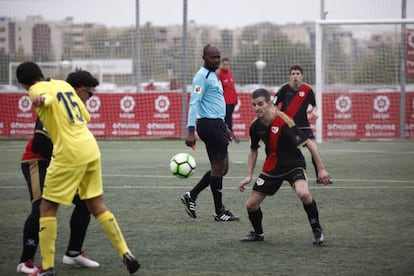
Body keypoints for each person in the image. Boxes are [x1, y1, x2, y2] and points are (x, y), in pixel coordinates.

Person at [16, 61, 140, 276]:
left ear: (23, 84)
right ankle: (126, 253)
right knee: (96, 205)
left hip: (68, 152)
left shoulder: (37, 89)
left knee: (46, 209)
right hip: (90, 147)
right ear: (42, 73)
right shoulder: (63, 85)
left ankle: (47, 268)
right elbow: (86, 115)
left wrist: (42, 100)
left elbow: (46, 98)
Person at [17, 70, 100, 274]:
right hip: (37, 161)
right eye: (90, 93)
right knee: (41, 208)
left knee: (84, 203)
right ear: (80, 90)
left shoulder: (72, 106)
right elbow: (39, 142)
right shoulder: (55, 100)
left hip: (60, 163)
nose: (91, 98)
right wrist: (64, 160)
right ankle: (25, 262)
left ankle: (73, 254)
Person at [239, 88, 331, 244]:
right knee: (251, 205)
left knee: (304, 194)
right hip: (272, 167)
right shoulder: (255, 126)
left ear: (269, 103)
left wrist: (321, 169)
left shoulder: (284, 121)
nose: (257, 108)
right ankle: (258, 234)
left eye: (260, 104)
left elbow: (309, 144)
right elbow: (253, 150)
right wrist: (249, 175)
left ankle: (316, 230)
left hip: (293, 165)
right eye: (254, 105)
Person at [181, 44, 239, 221]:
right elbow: (194, 103)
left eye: (218, 57)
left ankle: (192, 195)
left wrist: (226, 127)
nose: (216, 60)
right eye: (213, 57)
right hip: (209, 125)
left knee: (222, 168)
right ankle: (219, 211)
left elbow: (214, 103)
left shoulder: (213, 75)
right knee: (218, 168)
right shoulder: (201, 77)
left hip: (218, 124)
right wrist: (191, 130)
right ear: (204, 57)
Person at [274, 65, 332, 183]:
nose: (295, 76)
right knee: (282, 151)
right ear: (289, 76)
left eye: (298, 74)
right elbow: (274, 105)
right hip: (288, 126)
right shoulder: (283, 89)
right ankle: (279, 175)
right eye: (293, 74)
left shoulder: (308, 90)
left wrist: (314, 112)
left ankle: (320, 175)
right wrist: (277, 117)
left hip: (303, 125)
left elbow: (314, 106)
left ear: (302, 76)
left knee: (314, 148)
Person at [217, 57, 239, 143]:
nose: (226, 66)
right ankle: (229, 137)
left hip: (232, 101)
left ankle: (229, 136)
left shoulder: (230, 74)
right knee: (226, 120)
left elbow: (232, 88)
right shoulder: (219, 75)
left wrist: (235, 99)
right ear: (221, 65)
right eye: (224, 64)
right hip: (225, 102)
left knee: (229, 119)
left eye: (227, 64)